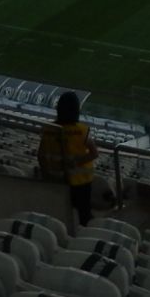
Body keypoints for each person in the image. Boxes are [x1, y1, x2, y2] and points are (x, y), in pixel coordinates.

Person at [37, 91, 101, 227]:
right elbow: (94, 153)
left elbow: (40, 156)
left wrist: (46, 174)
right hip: (80, 183)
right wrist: (76, 162)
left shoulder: (48, 129)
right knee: (84, 215)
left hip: (55, 180)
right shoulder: (81, 131)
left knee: (60, 213)